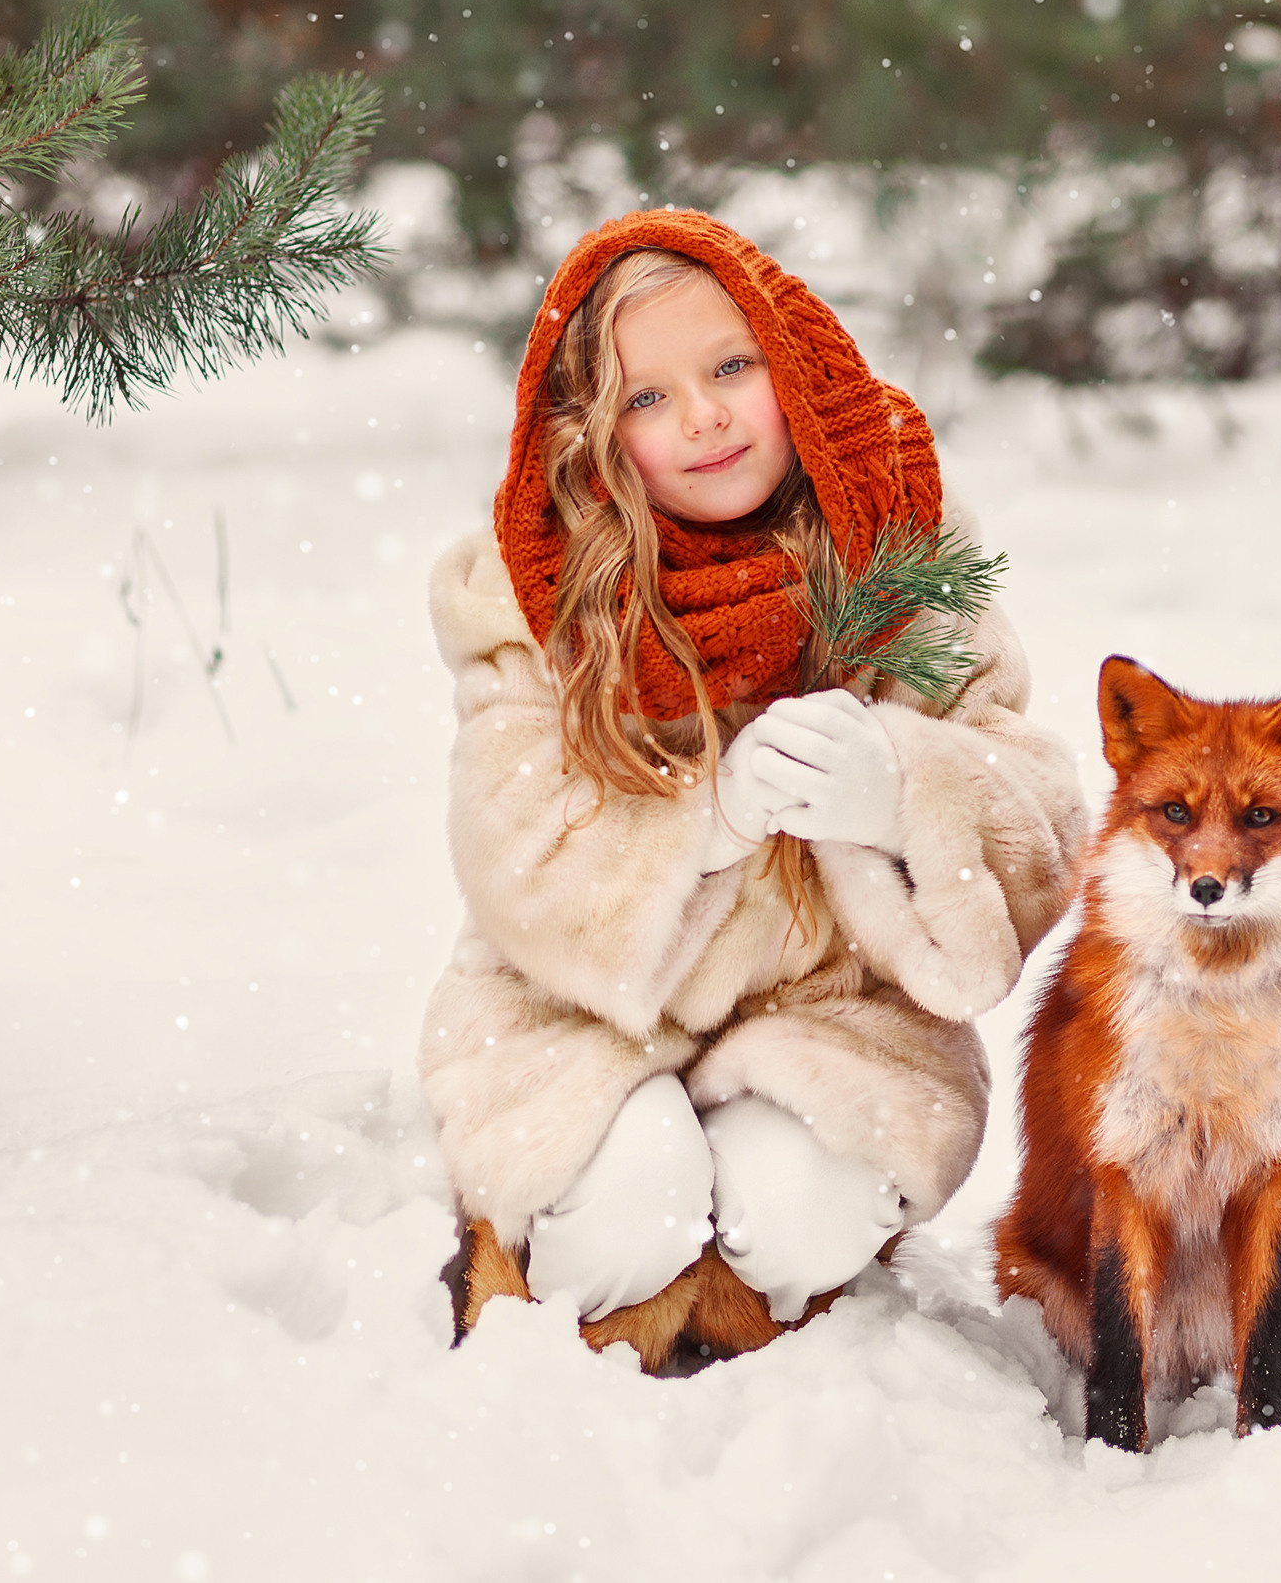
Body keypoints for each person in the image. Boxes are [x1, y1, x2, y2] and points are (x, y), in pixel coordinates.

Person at [423, 210, 1085, 1368]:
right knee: (635, 1213)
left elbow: (1038, 809)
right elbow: (507, 843)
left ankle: (758, 1267)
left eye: (733, 367)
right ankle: (546, 1251)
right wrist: (706, 823)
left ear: (794, 362)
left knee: (798, 1210)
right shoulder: (537, 579)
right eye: (647, 396)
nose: (706, 416)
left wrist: (901, 793)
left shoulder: (898, 535)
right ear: (593, 430)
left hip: (837, 1010)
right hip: (579, 1013)